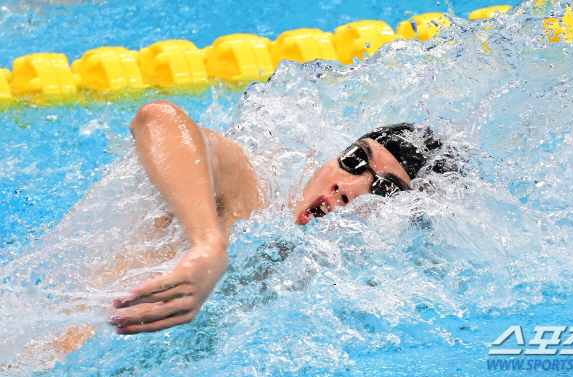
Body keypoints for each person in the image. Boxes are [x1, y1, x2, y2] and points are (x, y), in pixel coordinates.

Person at [108, 100, 443, 334]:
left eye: (385, 190)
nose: (348, 188)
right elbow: (158, 118)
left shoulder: (360, 298)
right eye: (354, 159)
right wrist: (209, 243)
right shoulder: (249, 194)